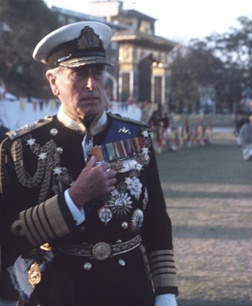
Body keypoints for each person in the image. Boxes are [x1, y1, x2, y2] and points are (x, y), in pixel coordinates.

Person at [0, 21, 178, 306]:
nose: (92, 84)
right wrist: (74, 199)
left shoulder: (136, 135)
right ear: (53, 82)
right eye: (79, 74)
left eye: (97, 73)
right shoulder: (22, 147)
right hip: (59, 292)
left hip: (130, 290)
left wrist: (166, 292)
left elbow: (156, 219)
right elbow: (8, 233)